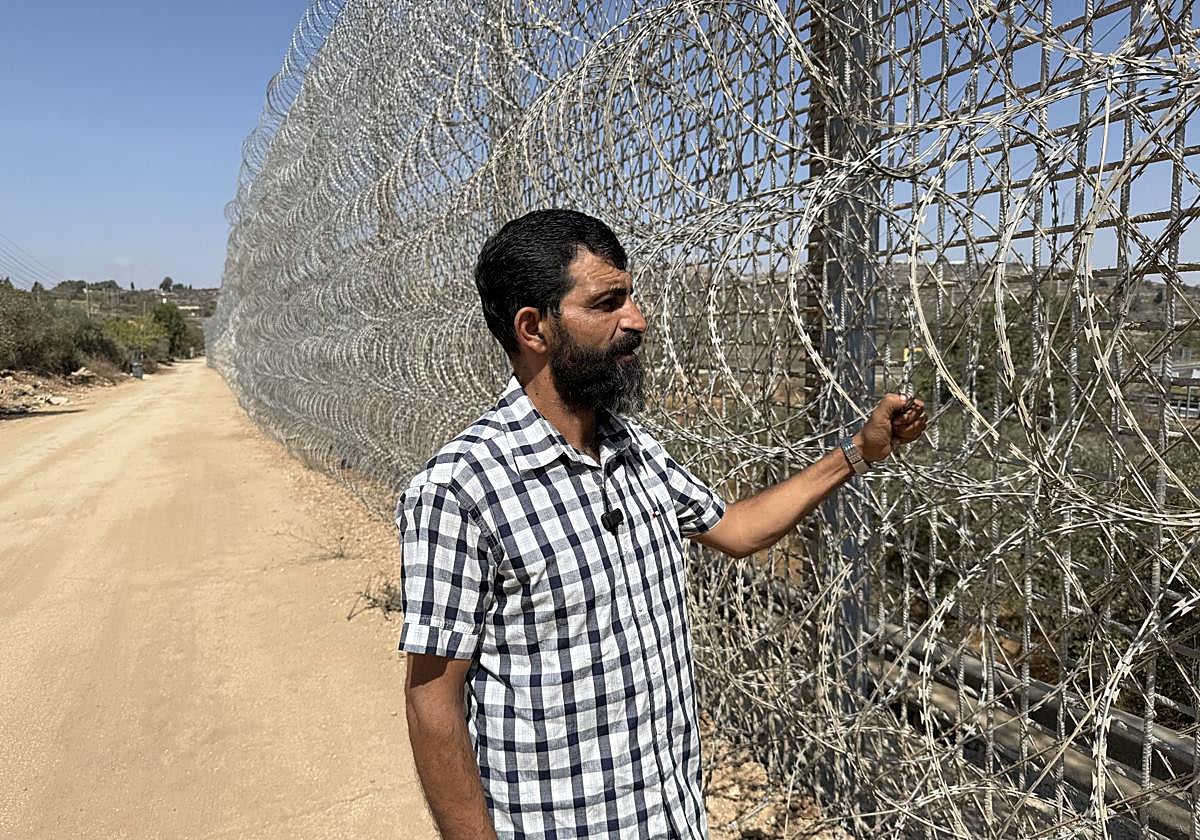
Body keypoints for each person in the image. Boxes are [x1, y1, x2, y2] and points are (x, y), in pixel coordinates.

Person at [397, 209, 927, 840]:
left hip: (668, 817)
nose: (637, 320)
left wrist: (857, 454)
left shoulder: (632, 448)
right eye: (607, 303)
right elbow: (432, 700)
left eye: (632, 295)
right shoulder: (460, 489)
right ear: (533, 328)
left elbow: (736, 529)